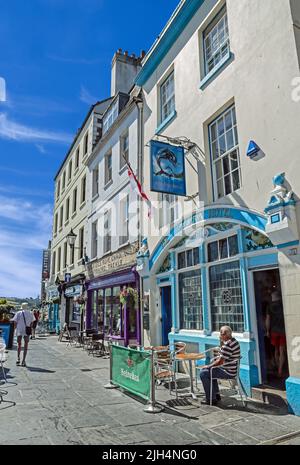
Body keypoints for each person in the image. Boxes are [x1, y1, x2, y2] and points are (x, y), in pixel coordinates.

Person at [199, 326, 241, 405]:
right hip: (231, 370)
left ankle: (211, 399)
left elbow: (220, 362)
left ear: (225, 335)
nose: (219, 336)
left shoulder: (228, 345)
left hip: (228, 372)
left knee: (203, 373)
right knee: (210, 371)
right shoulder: (234, 341)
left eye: (221, 334)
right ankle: (216, 395)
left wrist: (208, 366)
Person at [266, 290, 286, 378]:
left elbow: (268, 320)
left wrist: (267, 331)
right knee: (282, 351)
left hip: (274, 331)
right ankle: (280, 370)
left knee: (276, 350)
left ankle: (278, 366)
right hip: (283, 330)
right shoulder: (283, 304)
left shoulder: (269, 306)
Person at [11, 302, 35, 367]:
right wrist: (29, 328)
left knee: (19, 345)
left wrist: (14, 330)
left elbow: (15, 323)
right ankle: (23, 361)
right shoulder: (31, 313)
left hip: (19, 330)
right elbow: (32, 323)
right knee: (26, 345)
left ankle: (18, 359)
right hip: (27, 331)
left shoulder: (18, 313)